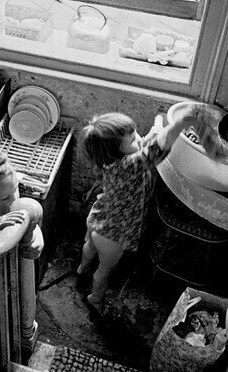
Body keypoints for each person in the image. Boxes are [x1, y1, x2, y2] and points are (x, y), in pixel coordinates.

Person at [76, 104, 207, 311]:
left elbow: (145, 145)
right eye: (133, 139)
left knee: (91, 246)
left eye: (135, 132)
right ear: (117, 152)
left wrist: (158, 122)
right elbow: (155, 150)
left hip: (99, 217)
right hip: (113, 235)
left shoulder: (107, 162)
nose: (139, 138)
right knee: (103, 271)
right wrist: (181, 123)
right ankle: (95, 298)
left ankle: (82, 267)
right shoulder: (130, 166)